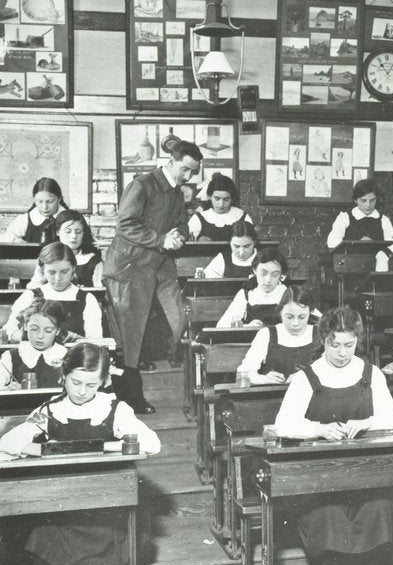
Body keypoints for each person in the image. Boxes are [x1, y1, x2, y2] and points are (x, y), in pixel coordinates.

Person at [0, 343, 160, 565]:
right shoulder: (50, 410)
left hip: (106, 506)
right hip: (63, 506)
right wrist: (42, 450)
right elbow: (7, 443)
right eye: (75, 382)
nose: (82, 390)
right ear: (64, 375)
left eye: (91, 384)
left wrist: (106, 445)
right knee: (40, 529)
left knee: (125, 527)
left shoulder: (115, 409)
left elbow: (151, 444)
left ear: (103, 381)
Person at [273, 306, 393, 565]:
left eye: (349, 345)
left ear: (358, 340)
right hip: (319, 478)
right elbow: (282, 424)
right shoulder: (307, 377)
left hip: (364, 473)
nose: (342, 353)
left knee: (379, 507)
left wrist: (368, 422)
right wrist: (318, 429)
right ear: (324, 340)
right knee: (325, 514)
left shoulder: (371, 374)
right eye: (335, 345)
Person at [103, 139, 201, 413]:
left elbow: (181, 224)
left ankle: (170, 382)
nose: (188, 176)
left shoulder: (177, 194)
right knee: (128, 338)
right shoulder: (143, 184)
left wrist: (179, 236)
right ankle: (129, 399)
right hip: (129, 269)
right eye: (185, 169)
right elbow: (124, 226)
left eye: (193, 172)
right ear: (171, 161)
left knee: (179, 318)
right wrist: (161, 239)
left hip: (158, 267)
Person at [2, 243, 104, 342]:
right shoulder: (31, 296)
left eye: (64, 272)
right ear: (43, 271)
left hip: (73, 357)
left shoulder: (87, 299)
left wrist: (76, 340)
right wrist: (41, 337)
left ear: (73, 269)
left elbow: (95, 339)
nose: (58, 278)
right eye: (52, 272)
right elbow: (9, 332)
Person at [236, 285, 322, 385]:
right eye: (289, 317)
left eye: (302, 317)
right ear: (281, 312)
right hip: (274, 396)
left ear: (310, 312)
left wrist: (305, 376)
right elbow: (244, 372)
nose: (295, 323)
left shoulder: (319, 334)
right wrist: (262, 379)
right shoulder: (266, 334)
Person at [0, 298, 68, 389]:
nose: (40, 336)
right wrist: (6, 389)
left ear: (58, 331)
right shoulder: (11, 356)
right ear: (25, 326)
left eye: (48, 331)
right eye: (34, 329)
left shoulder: (67, 356)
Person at [27, 210, 104, 288]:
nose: (74, 236)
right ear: (57, 231)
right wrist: (41, 281)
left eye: (78, 232)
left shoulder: (93, 261)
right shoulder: (47, 257)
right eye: (68, 231)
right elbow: (32, 288)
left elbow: (100, 292)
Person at [217, 248, 289, 328]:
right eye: (263, 273)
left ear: (281, 274)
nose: (268, 280)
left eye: (275, 274)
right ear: (255, 270)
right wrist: (246, 326)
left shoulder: (287, 294)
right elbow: (222, 325)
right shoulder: (246, 294)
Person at [326, 179, 393, 248]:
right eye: (363, 200)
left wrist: (372, 245)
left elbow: (391, 246)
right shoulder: (344, 218)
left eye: (372, 200)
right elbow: (332, 242)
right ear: (356, 200)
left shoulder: (384, 220)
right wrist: (358, 244)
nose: (368, 205)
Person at [0, 177, 69, 244]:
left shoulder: (70, 220)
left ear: (59, 198)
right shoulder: (24, 220)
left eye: (50, 201)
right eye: (40, 202)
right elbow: (6, 241)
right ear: (34, 199)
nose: (45, 207)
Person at [187, 173, 253, 241]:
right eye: (217, 199)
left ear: (232, 198)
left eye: (226, 199)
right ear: (209, 197)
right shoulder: (198, 218)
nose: (221, 204)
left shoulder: (242, 217)